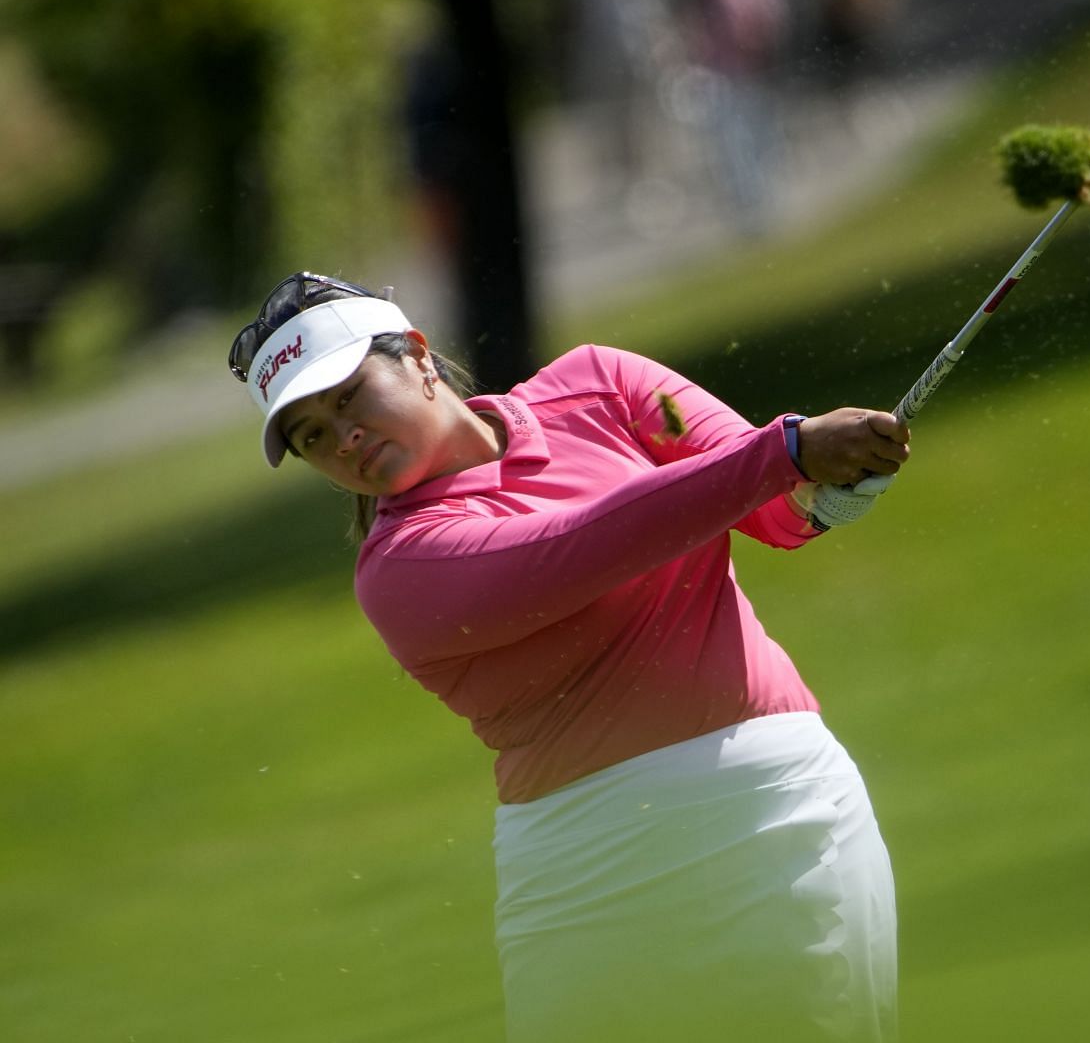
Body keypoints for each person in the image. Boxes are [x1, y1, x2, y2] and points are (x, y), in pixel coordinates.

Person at [226, 272, 908, 1040]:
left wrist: (843, 479)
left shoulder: (600, 384)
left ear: (418, 356)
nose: (341, 437)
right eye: (312, 434)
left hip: (777, 819)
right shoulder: (400, 571)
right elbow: (580, 547)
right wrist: (789, 451)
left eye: (348, 396)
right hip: (583, 877)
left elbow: (782, 511)